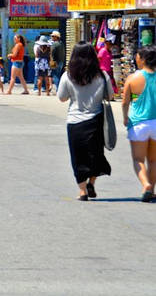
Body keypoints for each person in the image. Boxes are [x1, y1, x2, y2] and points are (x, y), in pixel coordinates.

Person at [56, 42, 112, 200]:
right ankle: (91, 183)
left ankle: (82, 191)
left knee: (78, 156)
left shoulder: (68, 75)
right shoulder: (102, 75)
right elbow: (110, 96)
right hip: (96, 120)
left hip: (75, 121)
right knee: (95, 155)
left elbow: (62, 98)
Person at [121, 45, 156, 202]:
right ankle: (152, 189)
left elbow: (125, 102)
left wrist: (125, 118)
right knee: (154, 160)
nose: (135, 58)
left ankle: (145, 184)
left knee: (138, 159)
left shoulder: (133, 78)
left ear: (142, 59)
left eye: (137, 56)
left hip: (138, 123)